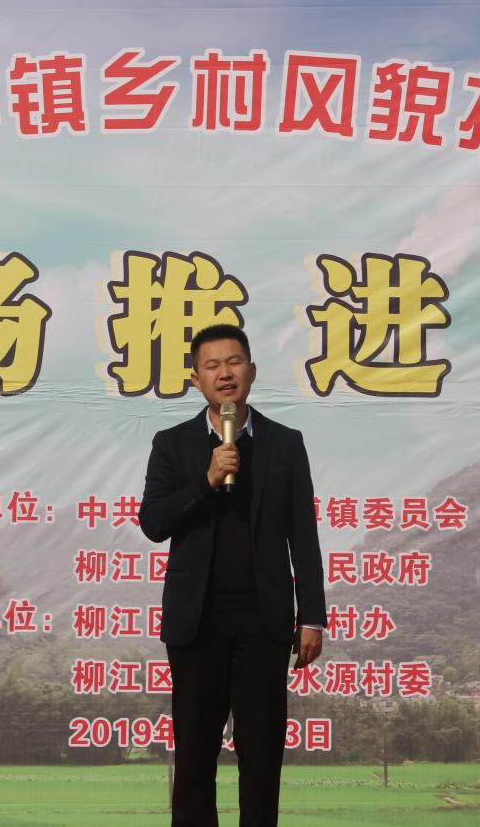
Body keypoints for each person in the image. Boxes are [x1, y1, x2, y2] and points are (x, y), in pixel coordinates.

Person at [138, 323, 326, 827]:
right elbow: (153, 522)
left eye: (234, 362)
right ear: (196, 379)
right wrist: (206, 480)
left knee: (262, 753)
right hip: (196, 622)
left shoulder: (286, 443)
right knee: (195, 754)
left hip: (264, 621)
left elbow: (303, 535)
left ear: (252, 371)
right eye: (213, 365)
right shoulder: (172, 445)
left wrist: (312, 616)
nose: (225, 373)